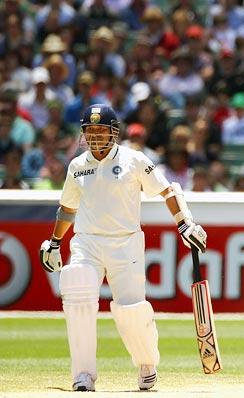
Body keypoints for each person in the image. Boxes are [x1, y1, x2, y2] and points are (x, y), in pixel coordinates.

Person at [38, 105, 207, 392]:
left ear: (113, 133)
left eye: (100, 131)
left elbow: (168, 190)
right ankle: (83, 375)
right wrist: (55, 243)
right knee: (76, 288)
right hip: (86, 242)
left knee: (131, 310)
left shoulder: (134, 159)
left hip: (125, 243)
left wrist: (184, 224)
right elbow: (67, 208)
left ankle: (146, 363)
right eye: (90, 132)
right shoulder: (78, 165)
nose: (94, 137)